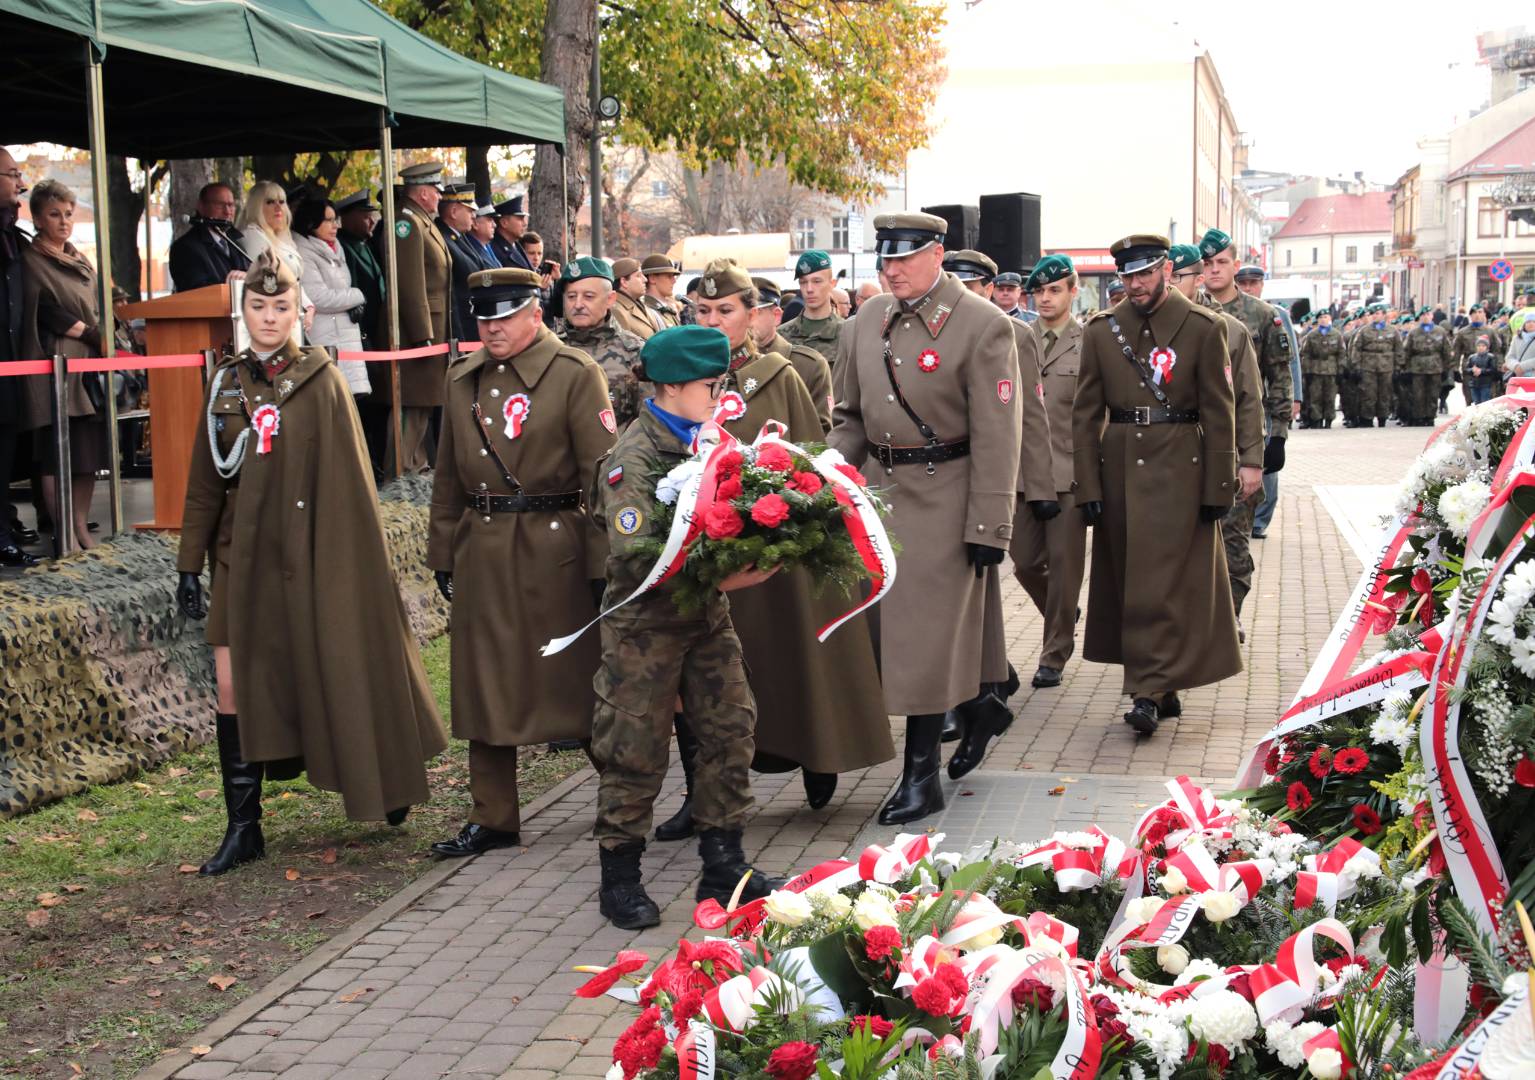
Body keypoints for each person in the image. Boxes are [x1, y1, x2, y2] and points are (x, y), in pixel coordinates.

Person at [175, 253, 446, 874]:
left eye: (280, 307)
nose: (268, 317)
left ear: (303, 312)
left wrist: (346, 572)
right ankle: (244, 827)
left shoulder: (321, 381)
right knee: (232, 686)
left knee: (340, 666)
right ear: (243, 312)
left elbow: (349, 487)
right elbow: (204, 481)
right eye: (257, 306)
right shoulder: (225, 383)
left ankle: (384, 779)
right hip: (241, 559)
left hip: (311, 555)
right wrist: (190, 563)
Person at [827, 213, 1022, 824]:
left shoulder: (982, 324)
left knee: (924, 641)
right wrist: (820, 476)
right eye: (885, 258)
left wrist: (990, 523)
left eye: (905, 257)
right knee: (889, 636)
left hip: (947, 496)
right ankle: (981, 707)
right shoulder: (865, 321)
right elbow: (850, 417)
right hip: (880, 494)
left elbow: (999, 435)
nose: (892, 269)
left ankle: (921, 778)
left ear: (938, 254)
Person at [591, 324, 786, 929]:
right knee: (635, 748)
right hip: (644, 628)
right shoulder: (633, 459)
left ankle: (725, 866)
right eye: (710, 385)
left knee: (729, 731)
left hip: (704, 618)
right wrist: (728, 577)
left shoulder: (709, 442)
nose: (718, 395)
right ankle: (621, 879)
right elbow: (638, 556)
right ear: (672, 385)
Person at [687, 258, 890, 819]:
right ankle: (702, 790)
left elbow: (811, 458)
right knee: (705, 675)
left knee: (788, 657)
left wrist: (794, 524)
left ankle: (815, 756)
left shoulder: (780, 375)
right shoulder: (683, 377)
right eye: (702, 311)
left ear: (751, 314)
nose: (713, 321)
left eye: (725, 310)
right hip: (708, 550)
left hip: (774, 547)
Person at [427, 267, 615, 857]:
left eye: (505, 315)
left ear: (535, 312)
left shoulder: (574, 373)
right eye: (483, 317)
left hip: (555, 547)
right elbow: (447, 475)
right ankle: (493, 816)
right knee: (483, 682)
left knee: (578, 679)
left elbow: (602, 479)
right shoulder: (462, 378)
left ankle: (623, 800)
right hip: (482, 545)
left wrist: (604, 563)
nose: (493, 327)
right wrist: (442, 550)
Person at [1074, 234, 1241, 736]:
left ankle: (1148, 690)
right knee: (1134, 582)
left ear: (1167, 270)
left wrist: (1220, 485)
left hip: (1182, 467)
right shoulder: (1102, 331)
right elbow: (1084, 415)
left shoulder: (1203, 328)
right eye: (1127, 275)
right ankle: (1157, 686)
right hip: (1121, 468)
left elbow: (1220, 412)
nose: (1136, 284)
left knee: (1172, 586)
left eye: (1145, 273)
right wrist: (1088, 486)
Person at [941, 248, 1053, 739]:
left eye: (970, 284)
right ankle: (982, 679)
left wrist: (1038, 486)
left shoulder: (1013, 333)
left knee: (982, 585)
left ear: (989, 288)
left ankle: (984, 680)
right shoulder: (933, 333)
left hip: (992, 479)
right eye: (953, 282)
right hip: (942, 479)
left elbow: (1027, 416)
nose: (960, 292)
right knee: (955, 588)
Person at [1167, 245, 1264, 641]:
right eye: (1167, 277)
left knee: (1232, 545)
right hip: (1174, 462)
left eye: (1178, 277)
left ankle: (1228, 615)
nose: (1170, 285)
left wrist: (1252, 461)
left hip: (1225, 459)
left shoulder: (1229, 329)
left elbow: (1249, 399)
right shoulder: (1151, 330)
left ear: (1198, 278)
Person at [18, 178, 109, 553]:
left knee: (87, 457)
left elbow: (100, 301)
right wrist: (90, 333)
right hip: (55, 367)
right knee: (56, 457)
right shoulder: (30, 261)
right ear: (38, 219)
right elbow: (44, 310)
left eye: (68, 214)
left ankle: (81, 528)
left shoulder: (80, 259)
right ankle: (64, 532)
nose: (64, 221)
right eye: (54, 214)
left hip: (87, 369)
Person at [1014, 255, 1088, 689]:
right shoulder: (1016, 338)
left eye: (1054, 290)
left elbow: (1096, 413)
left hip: (1069, 471)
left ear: (1073, 291)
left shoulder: (1089, 342)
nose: (1045, 298)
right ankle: (1062, 613)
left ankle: (1054, 654)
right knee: (1024, 562)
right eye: (1039, 291)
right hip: (1023, 473)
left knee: (1064, 568)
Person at [379, 161, 452, 474]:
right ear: (423, 193)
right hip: (415, 333)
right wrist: (423, 335)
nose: (439, 196)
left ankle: (415, 466)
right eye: (436, 190)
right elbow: (409, 284)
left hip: (429, 329)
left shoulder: (420, 221)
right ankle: (400, 471)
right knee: (411, 404)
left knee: (422, 404)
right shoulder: (406, 223)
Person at [291, 197, 370, 401]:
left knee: (349, 403)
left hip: (345, 337)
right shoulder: (303, 251)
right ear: (311, 222)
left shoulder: (335, 247)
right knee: (330, 399)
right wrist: (358, 296)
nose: (336, 226)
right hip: (324, 336)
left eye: (336, 220)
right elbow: (318, 298)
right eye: (328, 220)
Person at [557, 256, 648, 429]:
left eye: (588, 296)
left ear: (610, 299)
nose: (578, 304)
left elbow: (648, 424)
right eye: (571, 296)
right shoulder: (552, 349)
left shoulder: (634, 352)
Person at [0, 147, 37, 567]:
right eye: (11, 174)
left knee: (6, 450)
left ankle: (3, 530)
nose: (20, 183)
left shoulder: (14, 236)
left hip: (11, 363)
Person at [748, 276, 834, 431]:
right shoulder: (726, 364)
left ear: (776, 316)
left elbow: (821, 433)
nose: (747, 319)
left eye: (756, 311)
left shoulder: (808, 366)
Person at [235, 181, 315, 334]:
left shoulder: (282, 237)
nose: (278, 207)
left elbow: (294, 280)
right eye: (270, 202)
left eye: (282, 202)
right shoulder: (252, 235)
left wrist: (309, 306)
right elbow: (271, 277)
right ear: (257, 207)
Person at [168, 181, 250, 291]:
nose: (227, 211)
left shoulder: (238, 240)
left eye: (230, 205)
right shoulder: (185, 247)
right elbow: (196, 290)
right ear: (201, 207)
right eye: (219, 205)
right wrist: (233, 284)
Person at [438, 183, 492, 345]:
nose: (474, 216)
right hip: (463, 329)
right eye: (469, 211)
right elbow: (453, 294)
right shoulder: (444, 240)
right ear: (454, 212)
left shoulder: (459, 237)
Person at [335, 191, 385, 350]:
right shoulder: (344, 247)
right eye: (366, 217)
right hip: (361, 331)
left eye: (372, 217)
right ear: (349, 218)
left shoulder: (364, 244)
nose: (372, 221)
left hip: (377, 328)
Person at [778, 249, 843, 356]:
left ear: (832, 284)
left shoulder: (846, 334)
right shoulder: (782, 336)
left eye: (817, 281)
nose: (809, 289)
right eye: (803, 282)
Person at [1350, 307, 1403, 427]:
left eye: (1378, 313)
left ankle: (1382, 417)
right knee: (1368, 393)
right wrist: (1356, 366)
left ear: (1384, 315)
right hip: (1368, 367)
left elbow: (1398, 350)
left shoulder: (1392, 331)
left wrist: (1398, 367)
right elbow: (1356, 349)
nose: (1375, 316)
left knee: (1385, 393)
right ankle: (1367, 418)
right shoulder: (1364, 331)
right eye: (1373, 314)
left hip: (1386, 366)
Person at [1401, 309, 1452, 426]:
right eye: (1423, 315)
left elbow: (1446, 351)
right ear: (1420, 318)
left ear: (1432, 316)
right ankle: (1419, 416)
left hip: (1435, 367)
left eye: (1428, 314)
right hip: (1418, 368)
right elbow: (1407, 351)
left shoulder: (1440, 331)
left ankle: (1430, 417)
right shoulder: (1414, 333)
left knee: (1433, 393)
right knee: (1418, 394)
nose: (1425, 317)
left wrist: (1446, 369)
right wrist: (1405, 369)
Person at [1300, 310, 1342, 428]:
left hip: (1331, 370)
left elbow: (1341, 353)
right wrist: (1307, 371)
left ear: (1330, 319)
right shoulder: (1311, 335)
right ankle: (1316, 420)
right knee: (1315, 397)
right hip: (1315, 370)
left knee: (1330, 397)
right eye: (1321, 317)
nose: (1323, 319)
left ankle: (1328, 420)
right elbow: (1305, 354)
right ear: (1318, 320)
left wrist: (1341, 370)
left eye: (1325, 317)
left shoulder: (1336, 334)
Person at [609, 257, 658, 339]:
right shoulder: (617, 311)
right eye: (638, 276)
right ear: (624, 282)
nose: (645, 279)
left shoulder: (639, 304)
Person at [491, 195, 533, 271]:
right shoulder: (495, 249)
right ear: (504, 223)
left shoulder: (516, 245)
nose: (525, 224)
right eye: (520, 219)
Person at [639, 254, 682, 330]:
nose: (674, 281)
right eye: (669, 276)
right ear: (652, 278)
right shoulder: (647, 310)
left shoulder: (667, 308)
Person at [1465, 335, 1499, 404]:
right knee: (1476, 402)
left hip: (1486, 384)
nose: (1481, 347)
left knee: (1484, 402)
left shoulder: (1490, 357)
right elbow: (1466, 369)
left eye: (1483, 346)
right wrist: (1472, 370)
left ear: (1487, 347)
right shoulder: (1472, 357)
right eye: (1479, 346)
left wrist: (1481, 371)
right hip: (1474, 384)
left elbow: (1493, 369)